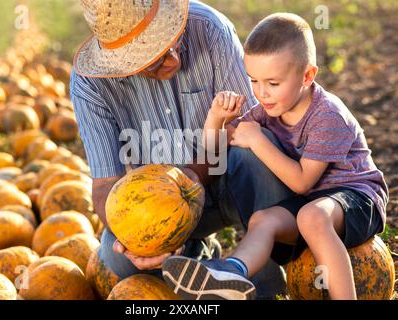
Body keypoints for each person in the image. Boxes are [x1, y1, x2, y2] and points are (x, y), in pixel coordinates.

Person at [71, 0, 293, 299]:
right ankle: (198, 264)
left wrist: (193, 175)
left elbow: (251, 127)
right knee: (116, 259)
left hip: (229, 179)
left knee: (256, 154)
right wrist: (133, 240)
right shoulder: (91, 85)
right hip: (161, 209)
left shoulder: (211, 30)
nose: (172, 57)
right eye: (151, 58)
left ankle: (265, 277)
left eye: (172, 40)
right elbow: (105, 184)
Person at [162, 12, 389, 300]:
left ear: (307, 76)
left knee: (311, 216)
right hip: (310, 204)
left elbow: (303, 182)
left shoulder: (328, 115)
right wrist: (215, 119)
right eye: (254, 81)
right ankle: (230, 272)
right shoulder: (268, 110)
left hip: (355, 197)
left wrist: (256, 139)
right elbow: (214, 151)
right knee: (263, 220)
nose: (261, 93)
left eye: (273, 83)